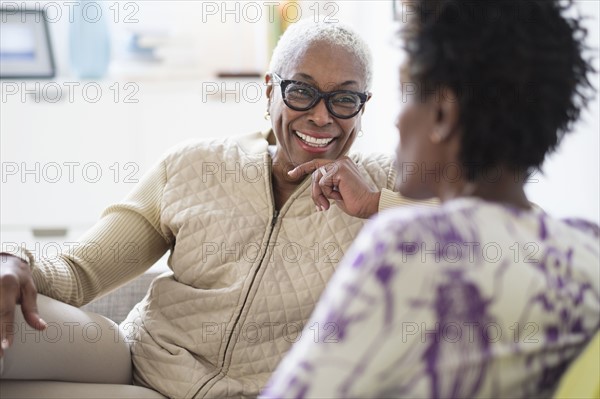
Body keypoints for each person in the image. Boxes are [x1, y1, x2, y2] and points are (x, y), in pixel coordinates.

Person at [0, 19, 435, 398]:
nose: (321, 117)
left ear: (363, 108)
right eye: (301, 91)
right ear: (270, 91)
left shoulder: (385, 182)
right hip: (136, 365)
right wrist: (17, 261)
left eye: (343, 99)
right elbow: (81, 271)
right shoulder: (194, 165)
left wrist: (375, 205)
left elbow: (487, 235)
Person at [261, 1, 600, 398]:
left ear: (441, 115)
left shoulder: (408, 247)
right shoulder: (586, 250)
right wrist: (375, 203)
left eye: (408, 96)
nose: (397, 121)